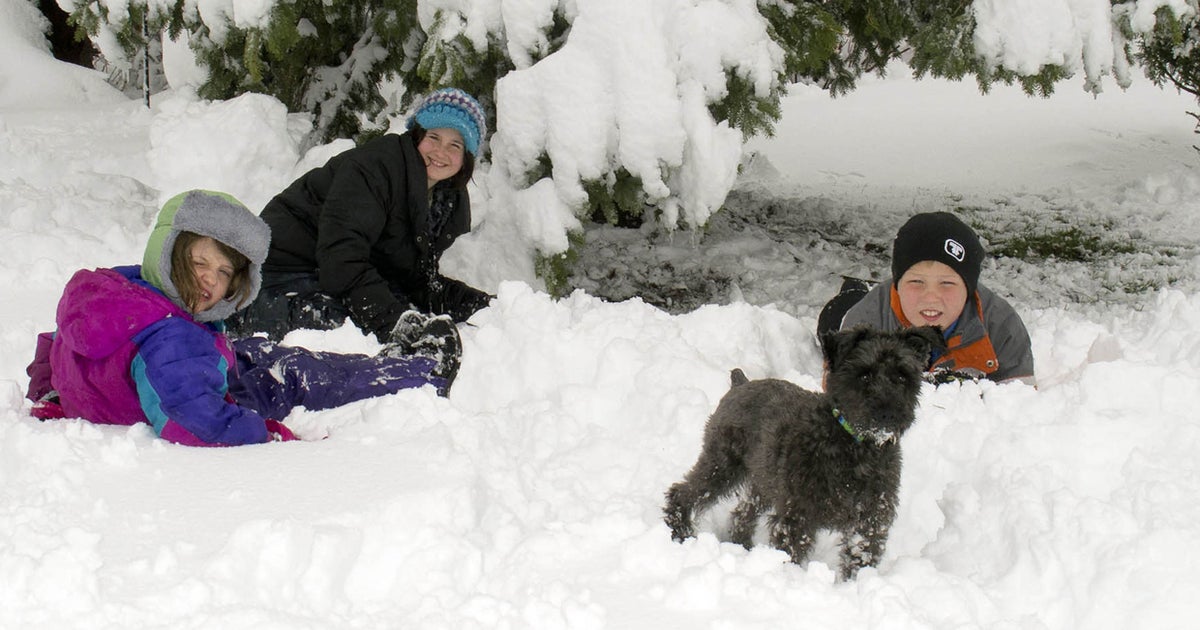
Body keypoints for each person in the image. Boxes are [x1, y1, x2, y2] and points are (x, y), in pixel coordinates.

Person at [25, 190, 451, 447]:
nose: (211, 279)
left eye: (225, 272)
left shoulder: (117, 291)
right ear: (170, 252)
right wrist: (261, 432)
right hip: (203, 387)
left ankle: (391, 359)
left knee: (259, 350)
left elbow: (53, 342)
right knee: (294, 372)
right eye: (199, 262)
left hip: (181, 368)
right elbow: (191, 421)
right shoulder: (173, 339)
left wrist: (55, 394)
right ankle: (420, 370)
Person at [228, 87, 493, 368]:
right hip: (273, 278)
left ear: (466, 156)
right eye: (434, 137)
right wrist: (395, 323)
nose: (441, 151)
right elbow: (342, 259)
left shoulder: (445, 201)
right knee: (350, 331)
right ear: (417, 136)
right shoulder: (376, 168)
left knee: (396, 306)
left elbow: (417, 281)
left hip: (326, 274)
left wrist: (485, 307)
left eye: (455, 145)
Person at [817, 211, 1036, 386]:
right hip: (858, 307)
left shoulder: (1002, 324)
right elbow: (838, 389)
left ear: (969, 289)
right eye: (917, 282)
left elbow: (1021, 400)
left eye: (947, 284)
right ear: (898, 284)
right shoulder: (865, 321)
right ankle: (854, 291)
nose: (931, 297)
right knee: (835, 315)